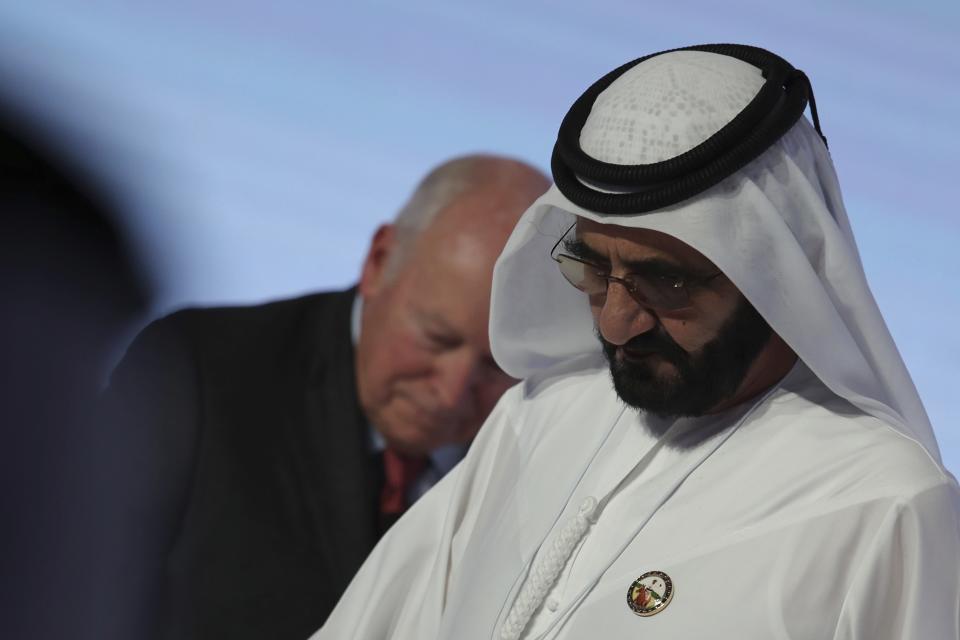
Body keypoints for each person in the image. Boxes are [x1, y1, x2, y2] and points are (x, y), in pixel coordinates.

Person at [314, 45, 960, 639]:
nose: (619, 322)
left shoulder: (882, 506)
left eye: (666, 281)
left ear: (774, 269)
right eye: (593, 269)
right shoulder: (539, 417)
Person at [100, 154, 549, 639]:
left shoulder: (543, 465)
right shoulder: (195, 373)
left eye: (495, 365)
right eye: (435, 338)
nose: (451, 392)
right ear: (379, 263)